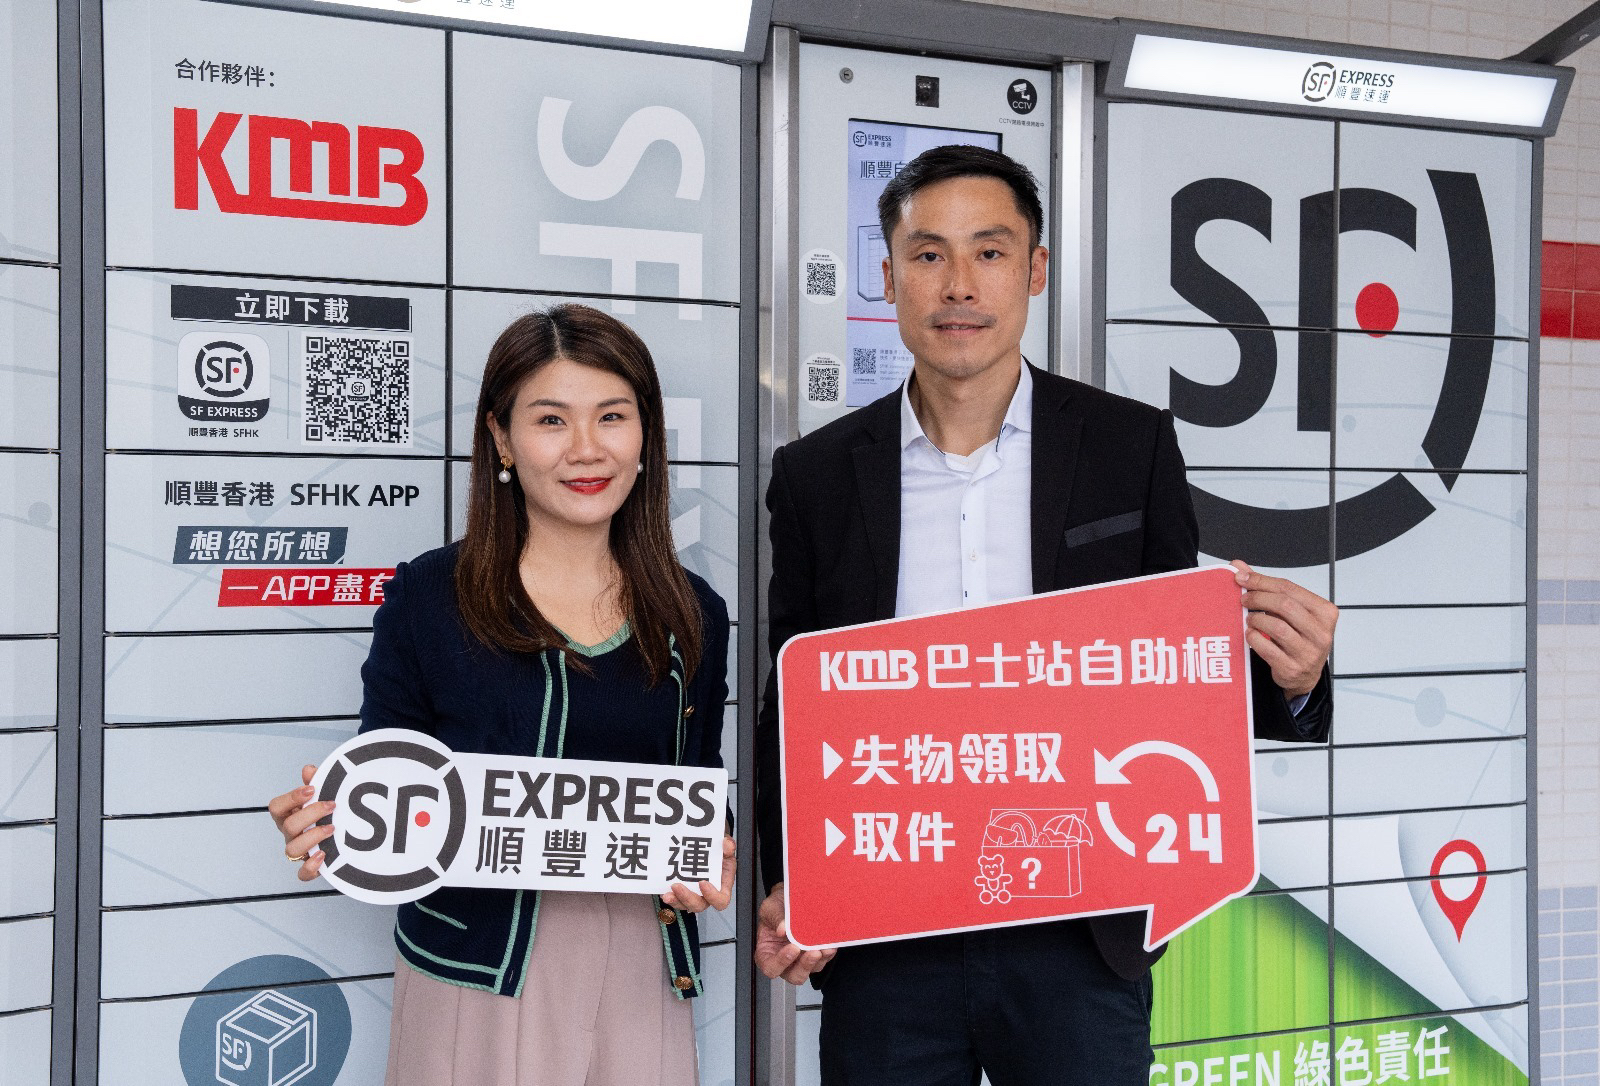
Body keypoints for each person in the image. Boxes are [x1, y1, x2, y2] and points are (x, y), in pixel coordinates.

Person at [752, 145, 1338, 1085]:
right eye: (928, 254)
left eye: (989, 252)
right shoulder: (816, 475)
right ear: (890, 276)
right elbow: (792, 699)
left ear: (1034, 271)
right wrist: (795, 880)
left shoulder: (1128, 446)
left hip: (1079, 922)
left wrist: (1295, 681)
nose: (959, 284)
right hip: (889, 924)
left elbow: (1178, 666)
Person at [268, 304, 734, 1086]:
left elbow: (698, 781)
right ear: (502, 438)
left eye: (612, 416)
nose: (586, 448)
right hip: (476, 968)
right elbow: (385, 774)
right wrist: (330, 822)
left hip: (643, 963)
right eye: (551, 419)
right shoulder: (429, 596)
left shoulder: (695, 611)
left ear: (645, 433)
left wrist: (712, 846)